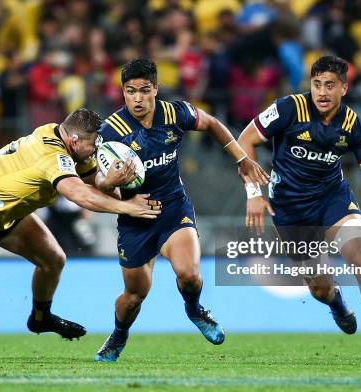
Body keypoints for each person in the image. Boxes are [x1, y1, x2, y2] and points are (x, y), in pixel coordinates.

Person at [0, 108, 161, 360]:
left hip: (7, 215)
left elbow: (95, 183)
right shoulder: (52, 155)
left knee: (53, 260)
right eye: (94, 143)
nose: (97, 149)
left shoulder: (66, 142)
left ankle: (40, 317)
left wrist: (117, 187)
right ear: (74, 141)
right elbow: (79, 194)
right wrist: (127, 208)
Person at [237, 56, 361, 358]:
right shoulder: (288, 108)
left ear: (344, 88)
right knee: (320, 288)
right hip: (290, 208)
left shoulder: (354, 125)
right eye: (317, 84)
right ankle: (337, 303)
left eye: (329, 85)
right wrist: (254, 193)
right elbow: (245, 140)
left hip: (333, 200)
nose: (321, 92)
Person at [93, 58, 267, 362]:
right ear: (122, 92)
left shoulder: (175, 112)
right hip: (135, 215)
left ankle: (195, 309)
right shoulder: (112, 130)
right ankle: (119, 335)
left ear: (156, 89)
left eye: (144, 90)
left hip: (173, 207)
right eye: (130, 91)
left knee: (189, 273)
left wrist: (241, 159)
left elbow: (212, 124)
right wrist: (110, 182)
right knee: (134, 296)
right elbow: (99, 182)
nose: (137, 98)